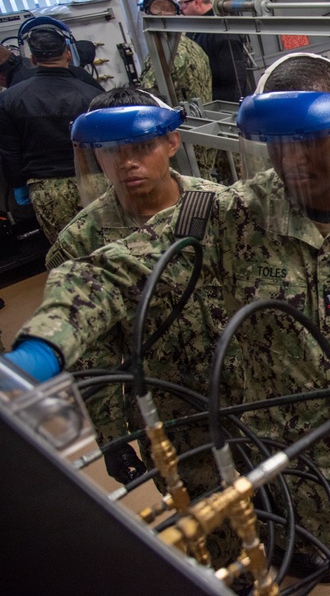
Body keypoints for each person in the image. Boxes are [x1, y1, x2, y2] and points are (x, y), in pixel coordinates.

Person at [5, 53, 330, 596]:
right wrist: (41, 348)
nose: (291, 160)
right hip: (303, 451)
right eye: (276, 143)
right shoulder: (231, 217)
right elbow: (113, 271)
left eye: (307, 141)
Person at [47, 86, 235, 563]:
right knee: (208, 518)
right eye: (112, 151)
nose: (127, 163)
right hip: (171, 411)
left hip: (254, 393)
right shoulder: (82, 243)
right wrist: (111, 434)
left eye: (141, 147)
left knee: (278, 492)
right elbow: (94, 357)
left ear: (171, 142)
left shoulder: (226, 209)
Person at [0, 17, 103, 242]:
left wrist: (18, 185)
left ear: (33, 59)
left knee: (67, 251)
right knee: (108, 245)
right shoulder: (93, 95)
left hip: (47, 190)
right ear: (68, 53)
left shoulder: (9, 100)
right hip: (94, 181)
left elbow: (9, 152)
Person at [135, 0, 233, 185]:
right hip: (202, 126)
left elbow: (147, 97)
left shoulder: (165, 54)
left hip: (184, 134)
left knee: (191, 187)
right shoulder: (192, 46)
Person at [173, 0, 252, 103]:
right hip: (206, 100)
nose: (180, 9)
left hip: (226, 103)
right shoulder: (193, 29)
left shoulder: (222, 30)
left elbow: (236, 77)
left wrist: (233, 109)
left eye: (182, 3)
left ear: (197, 2)